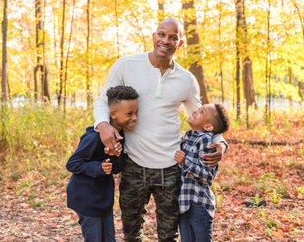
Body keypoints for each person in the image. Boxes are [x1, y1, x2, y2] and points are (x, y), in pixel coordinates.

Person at [93, 18, 228, 241]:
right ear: (154, 36)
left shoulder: (186, 80)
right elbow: (102, 100)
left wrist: (222, 143)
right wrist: (103, 124)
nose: (165, 40)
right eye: (161, 34)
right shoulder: (126, 65)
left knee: (168, 236)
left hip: (171, 168)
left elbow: (203, 119)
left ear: (180, 43)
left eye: (172, 37)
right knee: (131, 234)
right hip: (133, 164)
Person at [66, 86, 139, 242]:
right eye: (129, 114)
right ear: (112, 114)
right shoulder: (93, 137)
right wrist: (98, 167)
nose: (135, 118)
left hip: (104, 199)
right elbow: (72, 164)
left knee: (109, 239)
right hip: (86, 199)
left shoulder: (120, 136)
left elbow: (117, 168)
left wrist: (112, 156)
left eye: (136, 113)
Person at [174, 104, 230, 242]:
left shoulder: (205, 140)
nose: (195, 111)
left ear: (208, 127)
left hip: (199, 204)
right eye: (199, 109)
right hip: (183, 203)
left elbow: (207, 175)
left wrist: (185, 162)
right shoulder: (187, 137)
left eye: (201, 112)